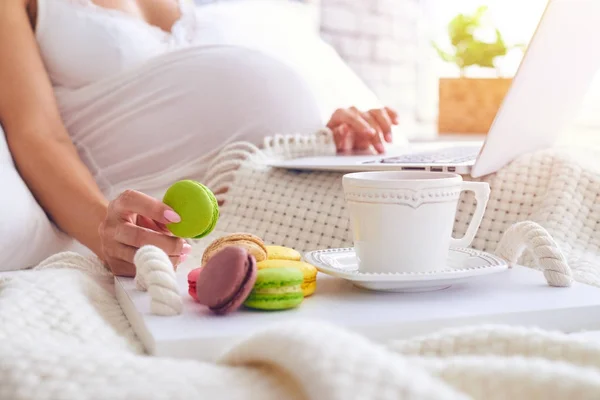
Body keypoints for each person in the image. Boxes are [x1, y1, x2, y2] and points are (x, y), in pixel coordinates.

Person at [0, 0, 399, 276]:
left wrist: (324, 138)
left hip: (278, 196)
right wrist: (106, 236)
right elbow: (37, 134)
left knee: (425, 230)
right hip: (174, 226)